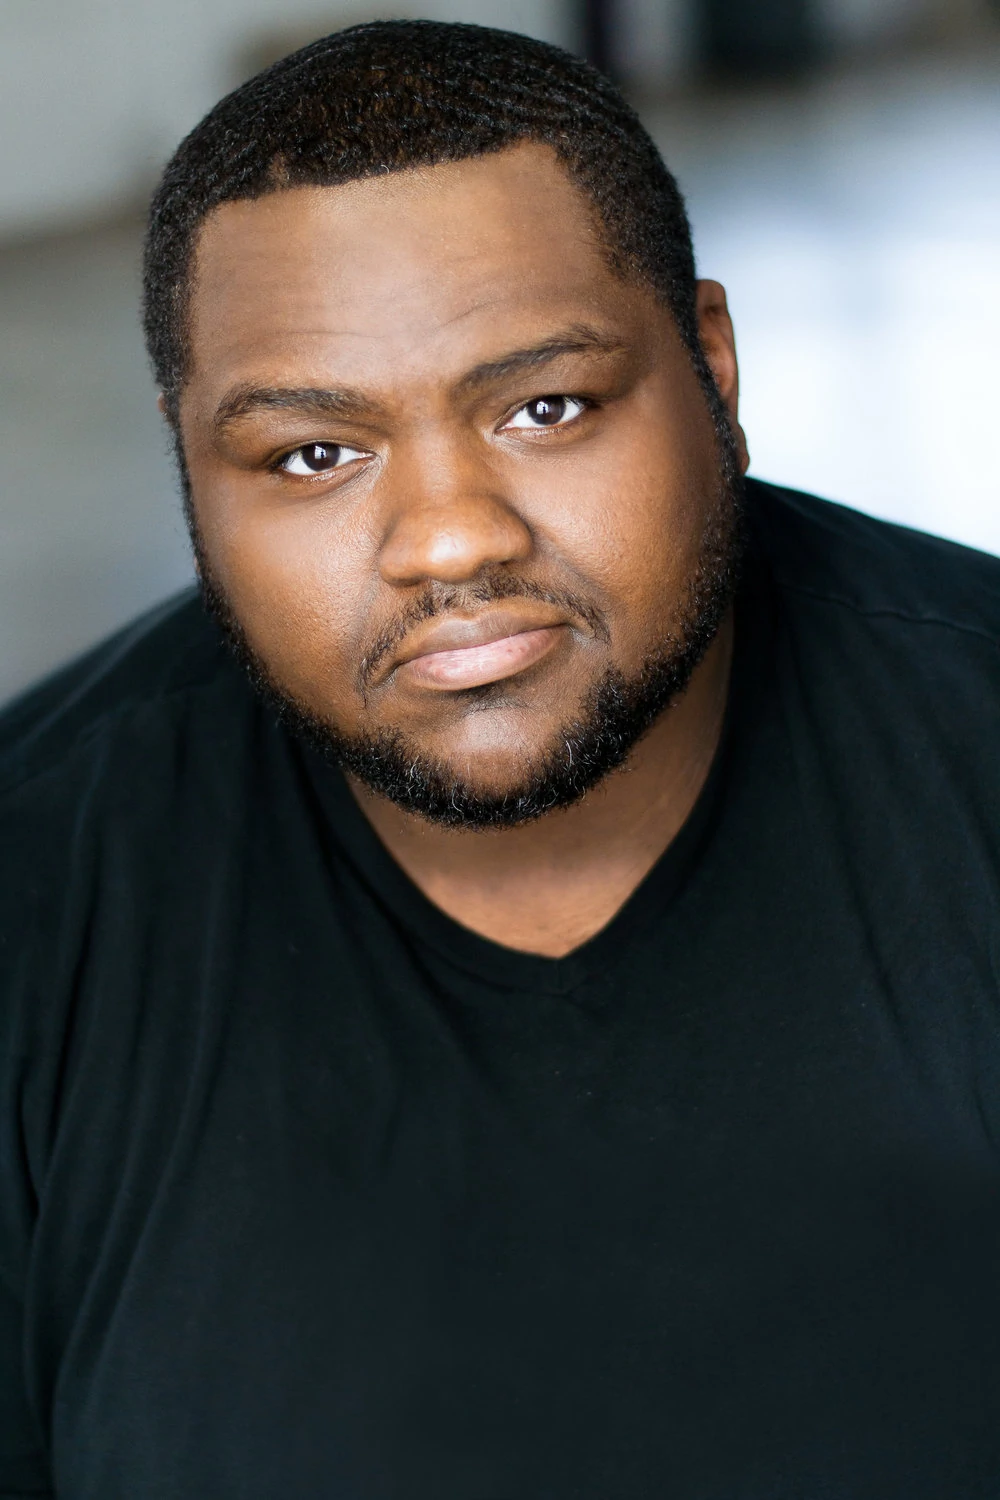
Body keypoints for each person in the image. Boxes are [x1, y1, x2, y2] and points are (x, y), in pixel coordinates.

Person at [1, 19, 998, 1498]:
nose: (452, 540)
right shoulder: (36, 890)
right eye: (313, 455)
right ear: (190, 463)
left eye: (545, 408)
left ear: (714, 366)